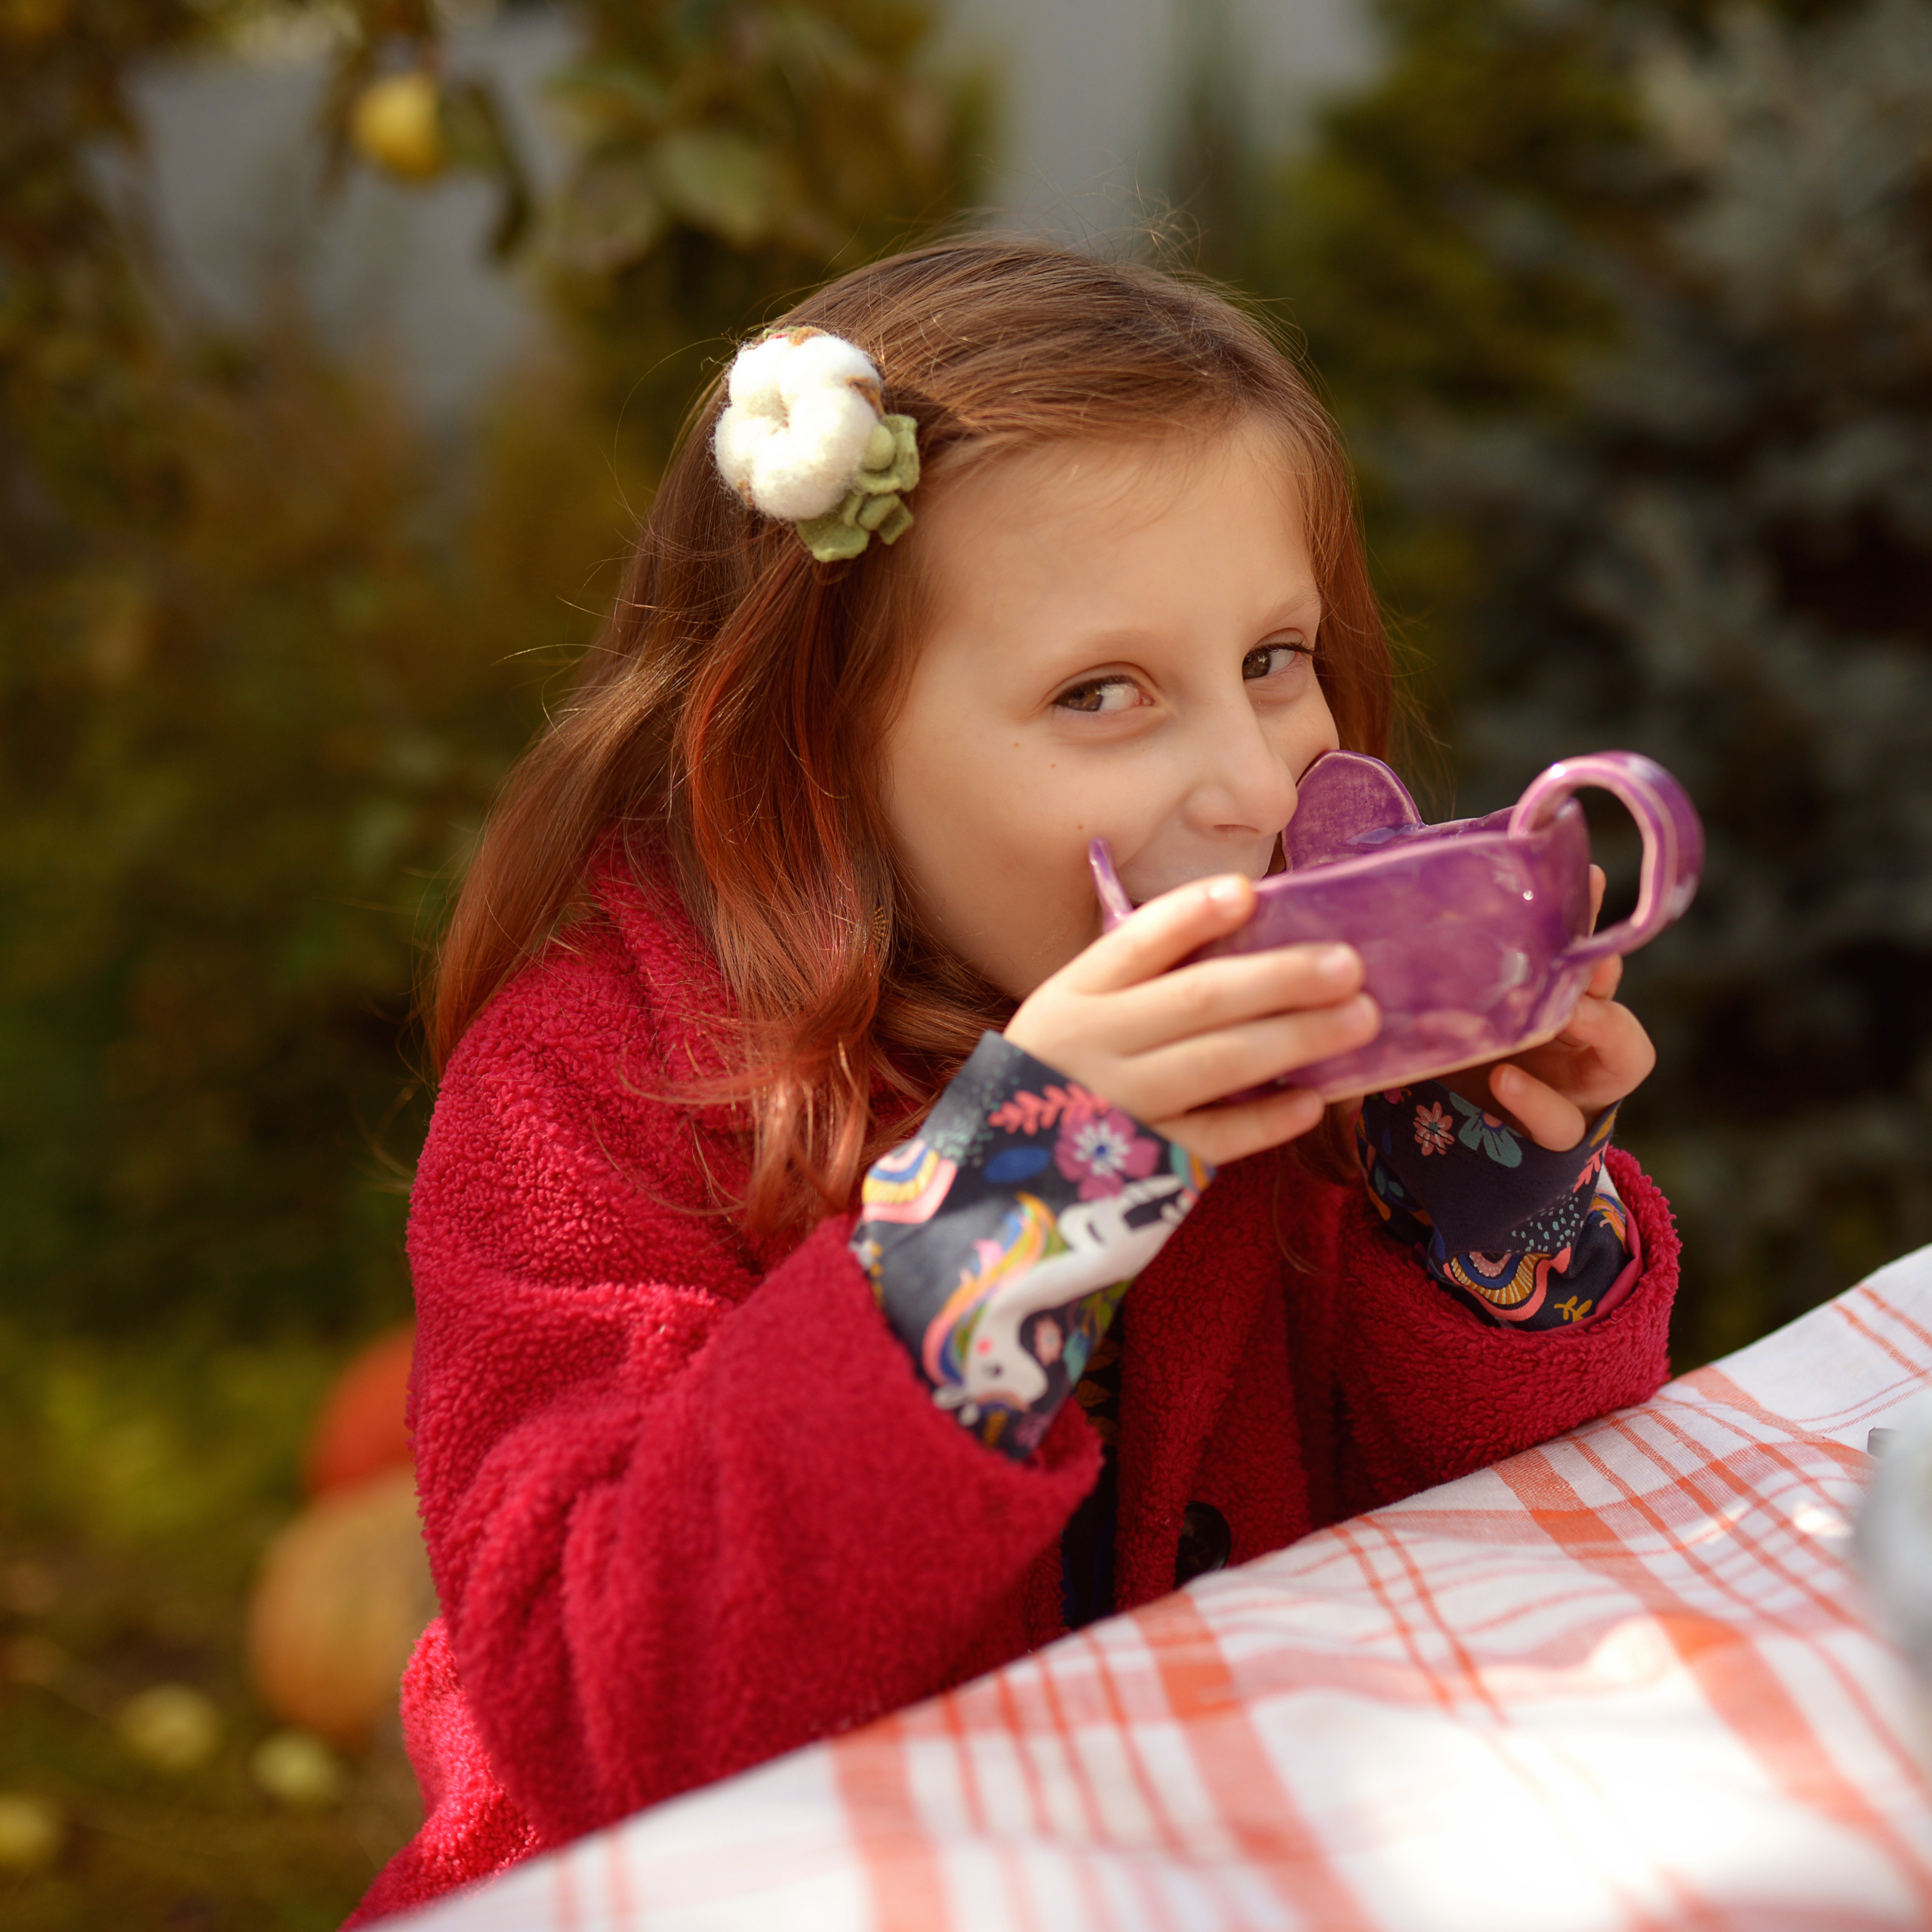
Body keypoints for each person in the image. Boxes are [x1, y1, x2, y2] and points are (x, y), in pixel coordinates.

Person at [347, 238, 1677, 1924]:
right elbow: (617, 1713)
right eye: (1101, 692)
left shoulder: (1262, 1037)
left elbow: (1479, 1545)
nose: (1247, 783)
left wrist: (1480, 1201)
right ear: (808, 750)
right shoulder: (590, 1091)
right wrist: (1012, 1207)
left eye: (1273, 656)